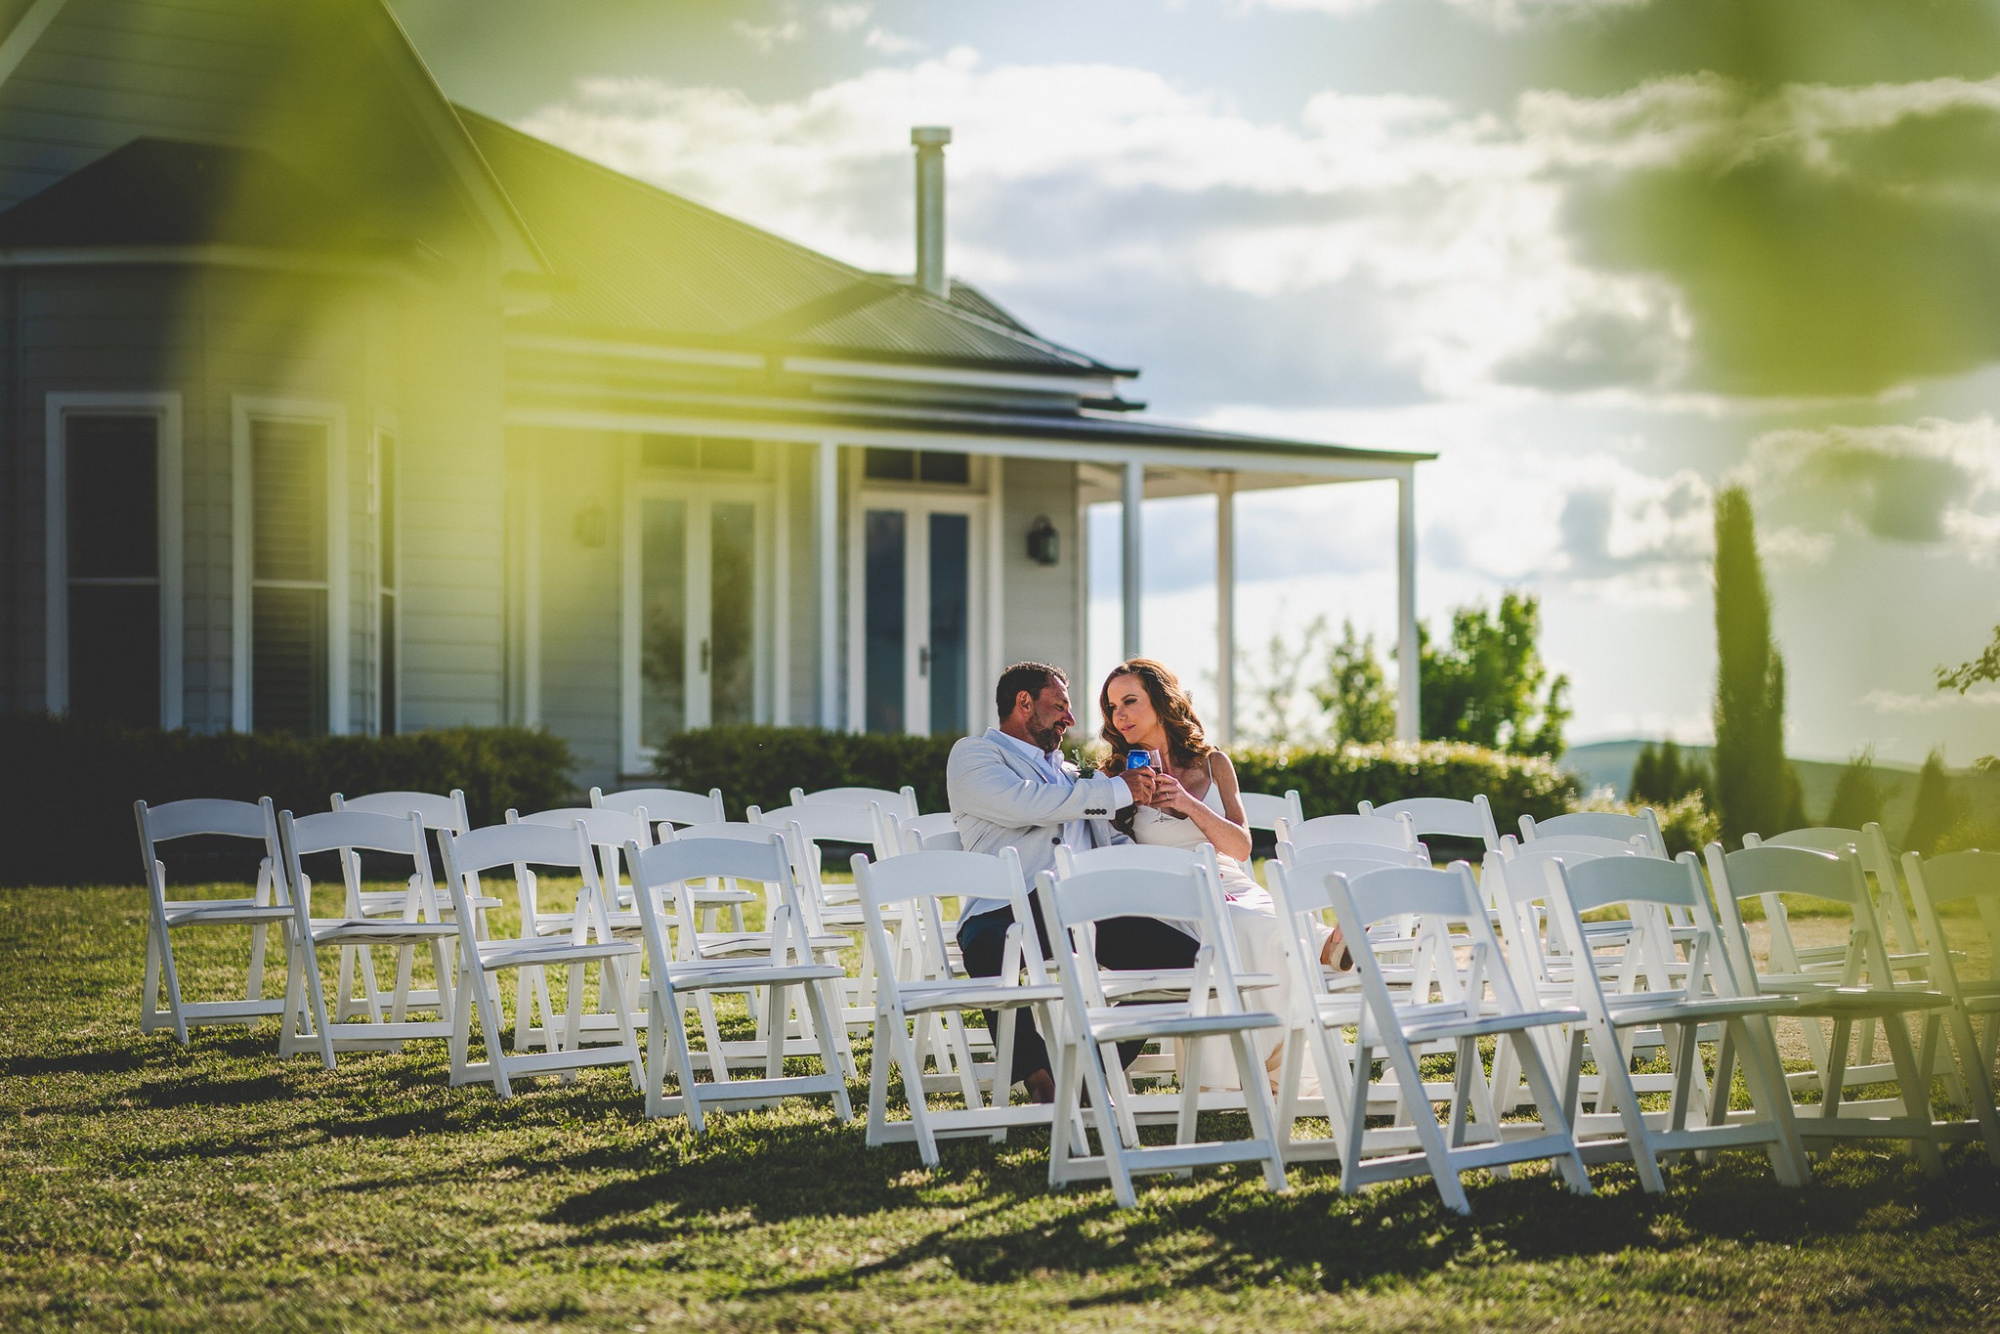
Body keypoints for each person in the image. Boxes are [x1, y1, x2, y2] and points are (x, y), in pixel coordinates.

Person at [947, 661, 1200, 1102]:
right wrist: (1118, 790)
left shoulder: (1072, 776)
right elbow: (1026, 804)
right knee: (985, 947)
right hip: (1006, 909)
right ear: (1023, 703)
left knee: (1189, 962)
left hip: (1082, 910)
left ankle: (1091, 1070)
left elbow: (1111, 844)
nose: (1071, 718)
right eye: (1060, 705)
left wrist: (1171, 867)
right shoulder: (976, 755)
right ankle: (1038, 1074)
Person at [1097, 657, 1347, 1090]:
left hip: (1228, 879)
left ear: (1160, 702)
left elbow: (1241, 846)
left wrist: (1188, 805)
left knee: (1256, 913)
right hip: (1168, 890)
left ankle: (1267, 1051)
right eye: (1112, 706)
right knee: (1251, 923)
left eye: (1130, 701)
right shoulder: (1115, 776)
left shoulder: (1214, 764)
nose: (1119, 716)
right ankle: (1326, 946)